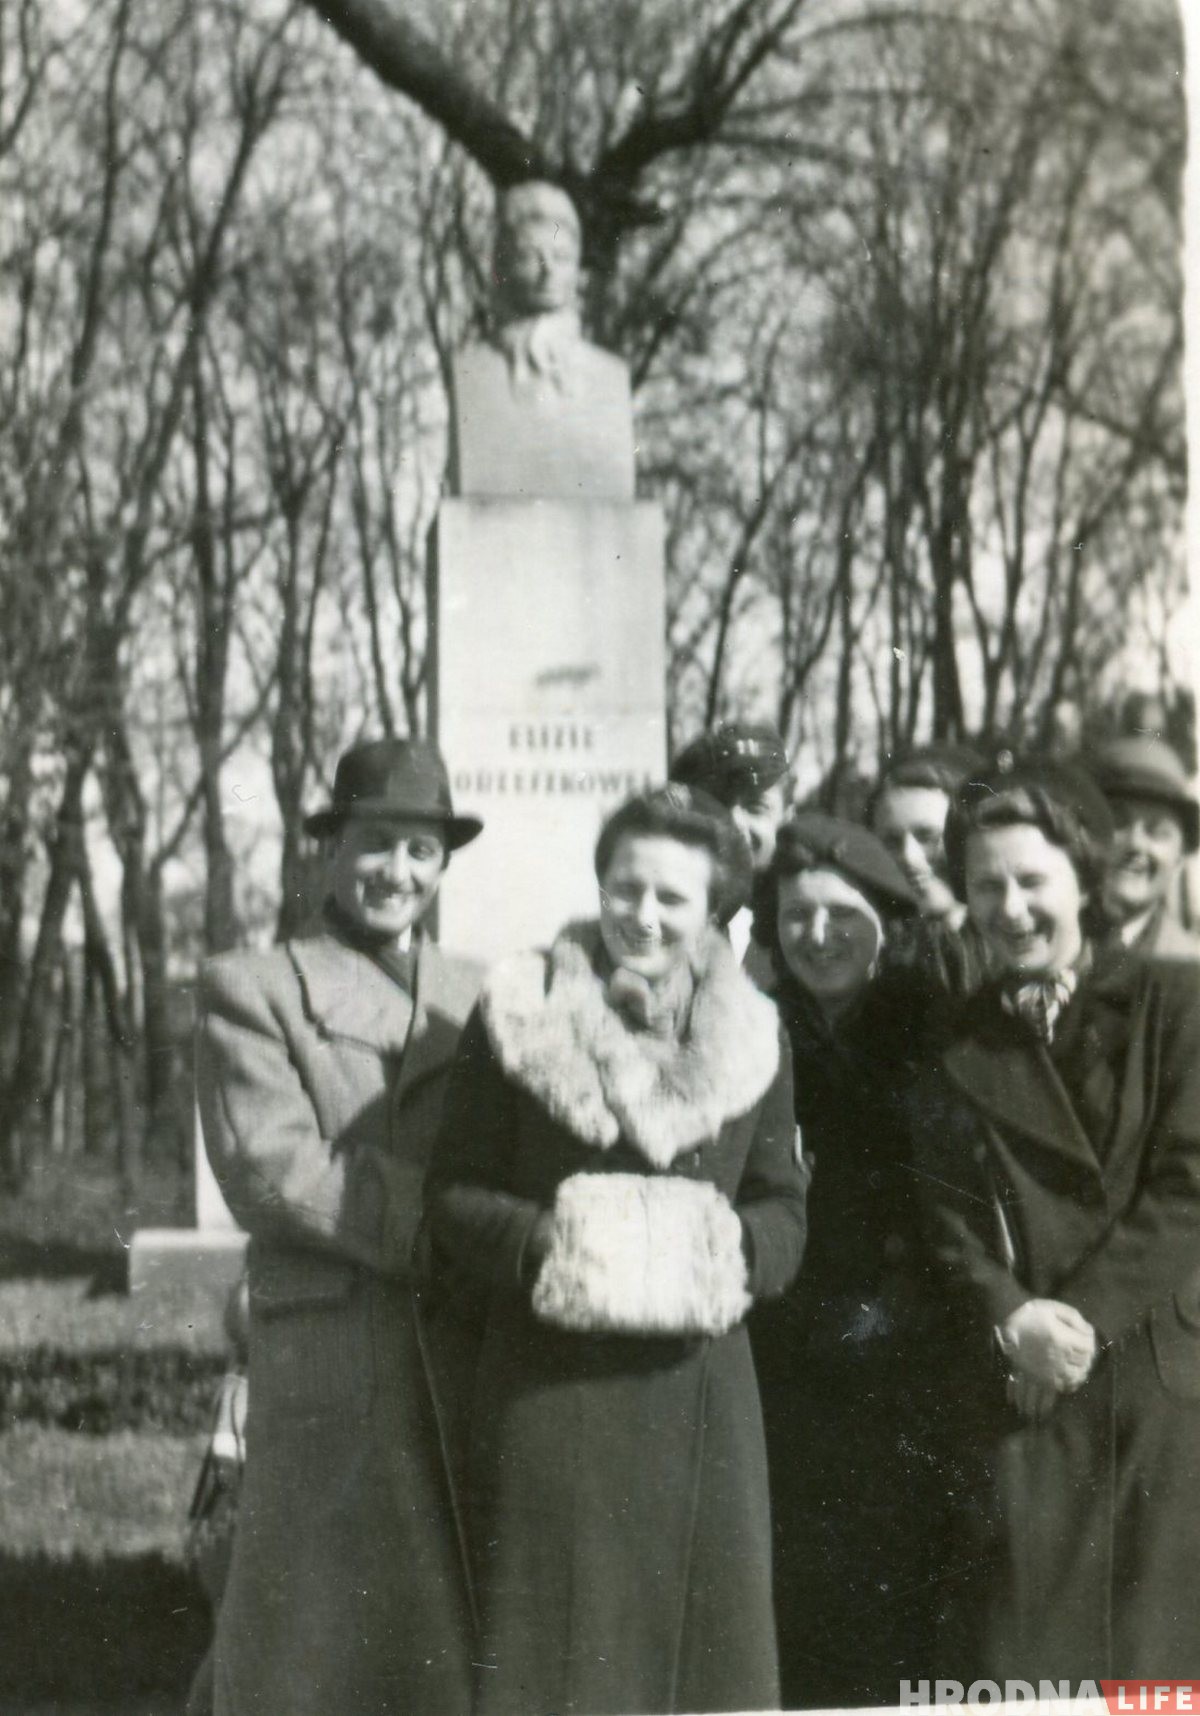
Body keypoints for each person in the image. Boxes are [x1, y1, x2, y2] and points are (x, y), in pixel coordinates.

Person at [423, 784, 808, 1716]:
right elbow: (452, 1193)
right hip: (555, 1394)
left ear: (713, 908)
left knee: (704, 1669)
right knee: (556, 1661)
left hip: (701, 1393)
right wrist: (549, 1242)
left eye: (673, 898)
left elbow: (783, 1203)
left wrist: (731, 1250)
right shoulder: (520, 1010)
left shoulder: (754, 1035)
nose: (644, 915)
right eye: (625, 889)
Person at [193, 738, 484, 1716]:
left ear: (443, 868)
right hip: (333, 1351)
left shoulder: (484, 995)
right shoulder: (255, 987)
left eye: (420, 851)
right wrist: (443, 1230)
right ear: (329, 849)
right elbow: (272, 1171)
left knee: (450, 1634)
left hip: (458, 1349)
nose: (396, 873)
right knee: (309, 1643)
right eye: (374, 844)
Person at [911, 754, 1200, 1679]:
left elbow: (1187, 1189)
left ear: (1082, 875)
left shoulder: (1177, 1007)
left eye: (1033, 880)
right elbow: (945, 1216)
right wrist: (1011, 1317)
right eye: (986, 886)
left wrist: (1075, 1328)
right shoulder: (954, 1042)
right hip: (1022, 1395)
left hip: (1150, 1383)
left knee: (1151, 1668)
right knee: (1026, 1664)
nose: (1011, 907)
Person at [748, 813, 938, 1707]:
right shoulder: (753, 1032)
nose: (816, 936)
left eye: (839, 914)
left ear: (884, 921)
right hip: (784, 1348)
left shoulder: (927, 1026)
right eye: (795, 917)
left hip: (907, 1352)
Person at [868, 744, 992, 997]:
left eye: (928, 836)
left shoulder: (1009, 946)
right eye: (891, 841)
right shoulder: (869, 955)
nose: (910, 858)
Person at [670, 719, 791, 980]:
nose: (735, 823)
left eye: (756, 808)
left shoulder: (804, 923)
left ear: (787, 818)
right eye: (716, 804)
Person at [1088, 733, 1199, 959]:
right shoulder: (1045, 951)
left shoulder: (1190, 968)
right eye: (1118, 823)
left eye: (1157, 832)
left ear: (1178, 857)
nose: (1136, 844)